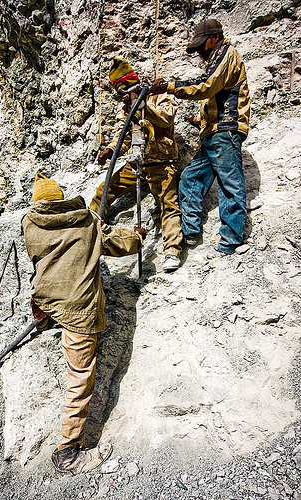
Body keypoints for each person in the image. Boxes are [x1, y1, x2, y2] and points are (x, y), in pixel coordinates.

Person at [22, 171, 144, 474]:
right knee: (80, 376)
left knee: (55, 304)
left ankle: (45, 318)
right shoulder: (87, 221)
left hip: (48, 301)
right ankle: (67, 453)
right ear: (61, 200)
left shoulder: (30, 224)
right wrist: (138, 235)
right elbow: (119, 244)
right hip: (78, 309)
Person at [151, 19, 250, 256]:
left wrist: (168, 86)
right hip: (213, 135)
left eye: (200, 46)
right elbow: (215, 98)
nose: (198, 53)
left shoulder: (226, 53)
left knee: (230, 184)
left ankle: (231, 240)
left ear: (214, 38)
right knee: (190, 177)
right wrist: (198, 121)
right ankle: (191, 232)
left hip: (226, 132)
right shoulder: (216, 59)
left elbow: (206, 86)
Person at [89, 58, 183, 272]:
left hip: (161, 162)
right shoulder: (126, 107)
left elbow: (165, 119)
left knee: (168, 204)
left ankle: (172, 251)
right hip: (137, 163)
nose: (123, 100)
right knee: (104, 191)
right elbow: (124, 135)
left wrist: (142, 105)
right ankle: (92, 236)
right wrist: (111, 150)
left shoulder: (160, 96)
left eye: (124, 94)